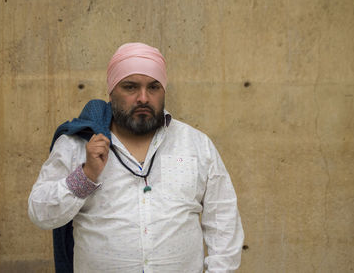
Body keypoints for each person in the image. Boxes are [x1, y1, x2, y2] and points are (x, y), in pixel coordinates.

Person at [28, 42, 244, 273]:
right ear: (111, 92)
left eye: (153, 87)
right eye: (130, 87)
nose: (143, 98)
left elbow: (224, 225)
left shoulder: (195, 144)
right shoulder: (77, 144)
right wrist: (86, 175)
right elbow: (41, 214)